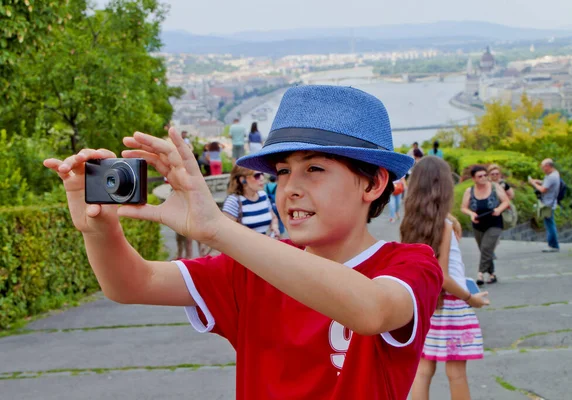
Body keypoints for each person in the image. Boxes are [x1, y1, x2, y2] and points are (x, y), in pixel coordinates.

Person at [43, 85, 443, 399]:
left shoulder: (411, 264)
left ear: (373, 183)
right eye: (282, 172)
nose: (290, 189)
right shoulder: (251, 266)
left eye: (315, 169)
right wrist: (98, 229)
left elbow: (371, 310)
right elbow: (132, 283)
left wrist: (216, 228)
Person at [401, 157, 489, 400]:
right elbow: (443, 276)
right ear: (444, 188)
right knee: (456, 371)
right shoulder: (445, 226)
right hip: (452, 305)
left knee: (423, 368)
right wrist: (472, 298)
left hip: (428, 305)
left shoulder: (412, 223)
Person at [460, 165, 510, 285]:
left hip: (494, 222)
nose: (483, 178)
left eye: (485, 175)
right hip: (478, 223)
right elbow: (463, 208)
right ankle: (492, 274)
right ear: (474, 178)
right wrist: (471, 214)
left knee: (486, 248)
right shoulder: (470, 191)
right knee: (484, 250)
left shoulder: (494, 187)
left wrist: (499, 209)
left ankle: (480, 274)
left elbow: (506, 201)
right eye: (480, 176)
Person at [222, 165, 280, 237]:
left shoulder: (263, 195)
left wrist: (275, 226)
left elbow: (273, 217)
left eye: (262, 174)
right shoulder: (233, 200)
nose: (262, 178)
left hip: (266, 245)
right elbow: (225, 230)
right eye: (257, 175)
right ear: (243, 179)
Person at [528, 159, 560, 252]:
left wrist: (533, 183)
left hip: (548, 203)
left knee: (549, 224)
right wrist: (538, 181)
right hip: (550, 202)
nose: (542, 169)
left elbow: (543, 189)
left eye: (543, 167)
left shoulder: (551, 177)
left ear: (548, 166)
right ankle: (553, 245)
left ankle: (553, 245)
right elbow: (546, 183)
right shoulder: (554, 174)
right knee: (549, 223)